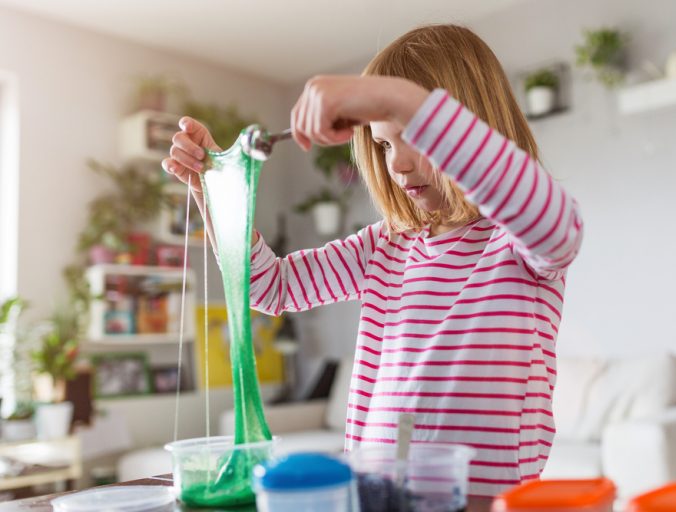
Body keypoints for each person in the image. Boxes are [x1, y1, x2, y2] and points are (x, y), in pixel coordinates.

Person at [163, 24, 583, 505]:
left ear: (471, 127)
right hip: (374, 496)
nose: (397, 165)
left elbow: (558, 224)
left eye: (414, 137)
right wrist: (213, 192)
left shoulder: (515, 242)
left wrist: (399, 99)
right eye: (384, 145)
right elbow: (268, 286)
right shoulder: (385, 246)